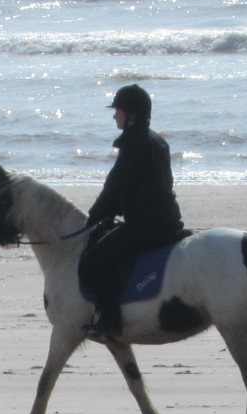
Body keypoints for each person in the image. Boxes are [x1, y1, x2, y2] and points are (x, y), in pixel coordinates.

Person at [78, 84, 185, 340]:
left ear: (132, 115)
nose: (115, 116)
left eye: (118, 111)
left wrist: (92, 218)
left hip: (145, 226)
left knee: (95, 260)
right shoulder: (158, 141)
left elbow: (114, 189)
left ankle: (110, 322)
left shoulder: (134, 145)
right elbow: (146, 186)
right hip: (170, 221)